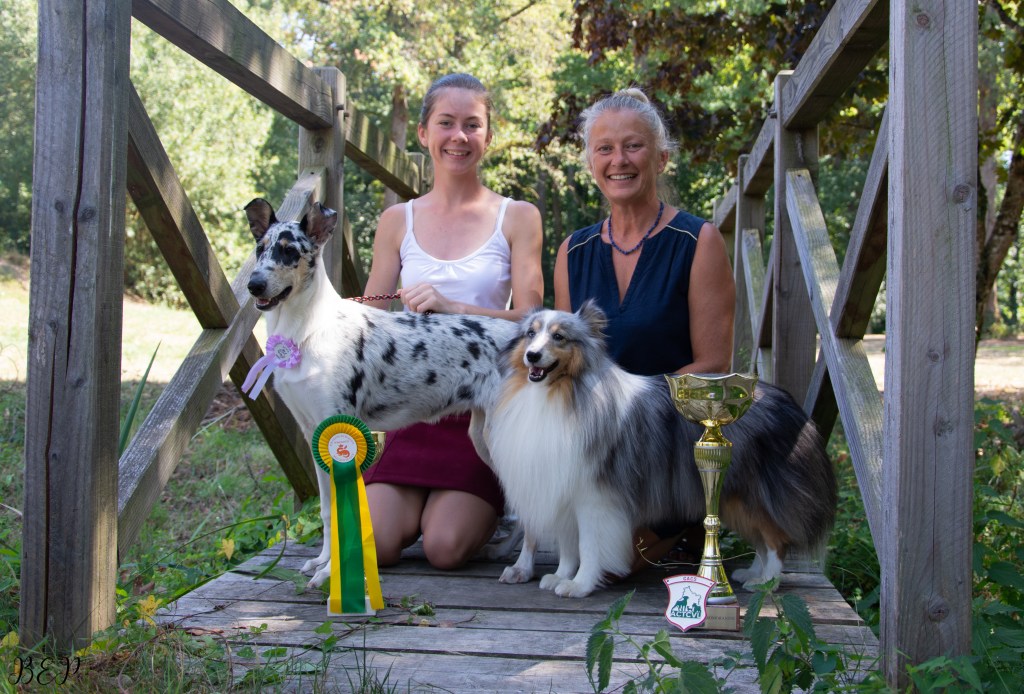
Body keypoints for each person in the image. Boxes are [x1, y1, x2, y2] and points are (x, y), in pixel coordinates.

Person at [360, 73, 544, 570]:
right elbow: (370, 317)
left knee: (444, 548)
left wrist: (455, 308)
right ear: (424, 133)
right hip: (412, 408)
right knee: (375, 544)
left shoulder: (518, 216)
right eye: (446, 123)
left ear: (488, 136)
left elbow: (532, 323)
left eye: (472, 125)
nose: (458, 136)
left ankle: (494, 507)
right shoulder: (397, 220)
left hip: (483, 413)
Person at [552, 87, 736, 568]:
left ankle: (685, 523)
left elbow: (714, 364)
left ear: (661, 157)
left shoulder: (699, 241)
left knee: (616, 559)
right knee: (581, 554)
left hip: (668, 448)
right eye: (604, 148)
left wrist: (629, 413)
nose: (619, 160)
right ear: (590, 162)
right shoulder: (572, 252)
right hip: (594, 450)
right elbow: (564, 364)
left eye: (633, 146)